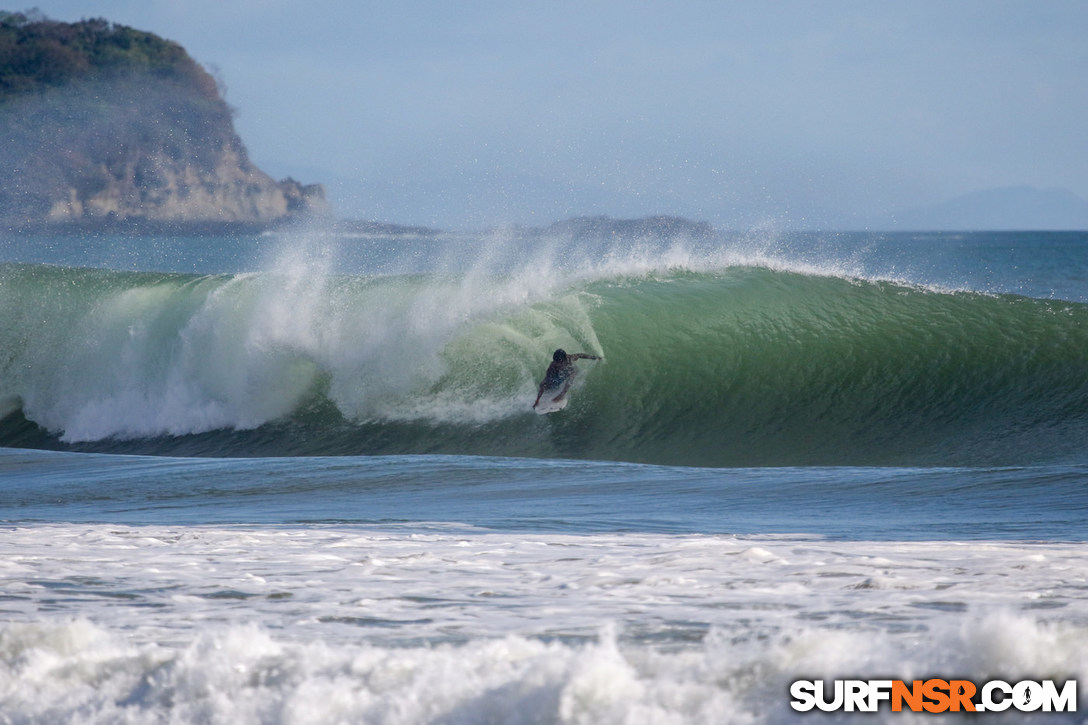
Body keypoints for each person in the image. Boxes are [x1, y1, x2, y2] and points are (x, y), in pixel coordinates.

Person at [533, 348, 601, 409]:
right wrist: (537, 400)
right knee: (544, 385)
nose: (557, 364)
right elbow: (544, 382)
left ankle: (562, 394)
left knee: (572, 371)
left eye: (559, 362)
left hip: (569, 373)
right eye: (556, 362)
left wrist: (593, 357)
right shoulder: (552, 367)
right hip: (558, 376)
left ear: (564, 359)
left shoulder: (569, 358)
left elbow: (580, 355)